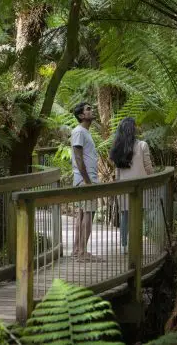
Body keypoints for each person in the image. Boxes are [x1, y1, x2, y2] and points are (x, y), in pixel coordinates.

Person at [109, 117, 153, 254]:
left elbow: (117, 172)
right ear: (132, 129)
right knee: (139, 216)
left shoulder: (117, 148)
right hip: (140, 186)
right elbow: (148, 167)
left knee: (125, 217)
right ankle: (136, 245)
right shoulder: (142, 145)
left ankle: (124, 246)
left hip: (124, 186)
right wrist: (153, 178)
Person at [70, 101, 99, 260]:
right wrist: (88, 181)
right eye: (88, 109)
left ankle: (77, 250)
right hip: (85, 180)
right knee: (88, 213)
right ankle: (82, 252)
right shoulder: (79, 132)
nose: (91, 110)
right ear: (81, 115)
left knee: (82, 214)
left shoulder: (84, 132)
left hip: (85, 179)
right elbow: (78, 158)